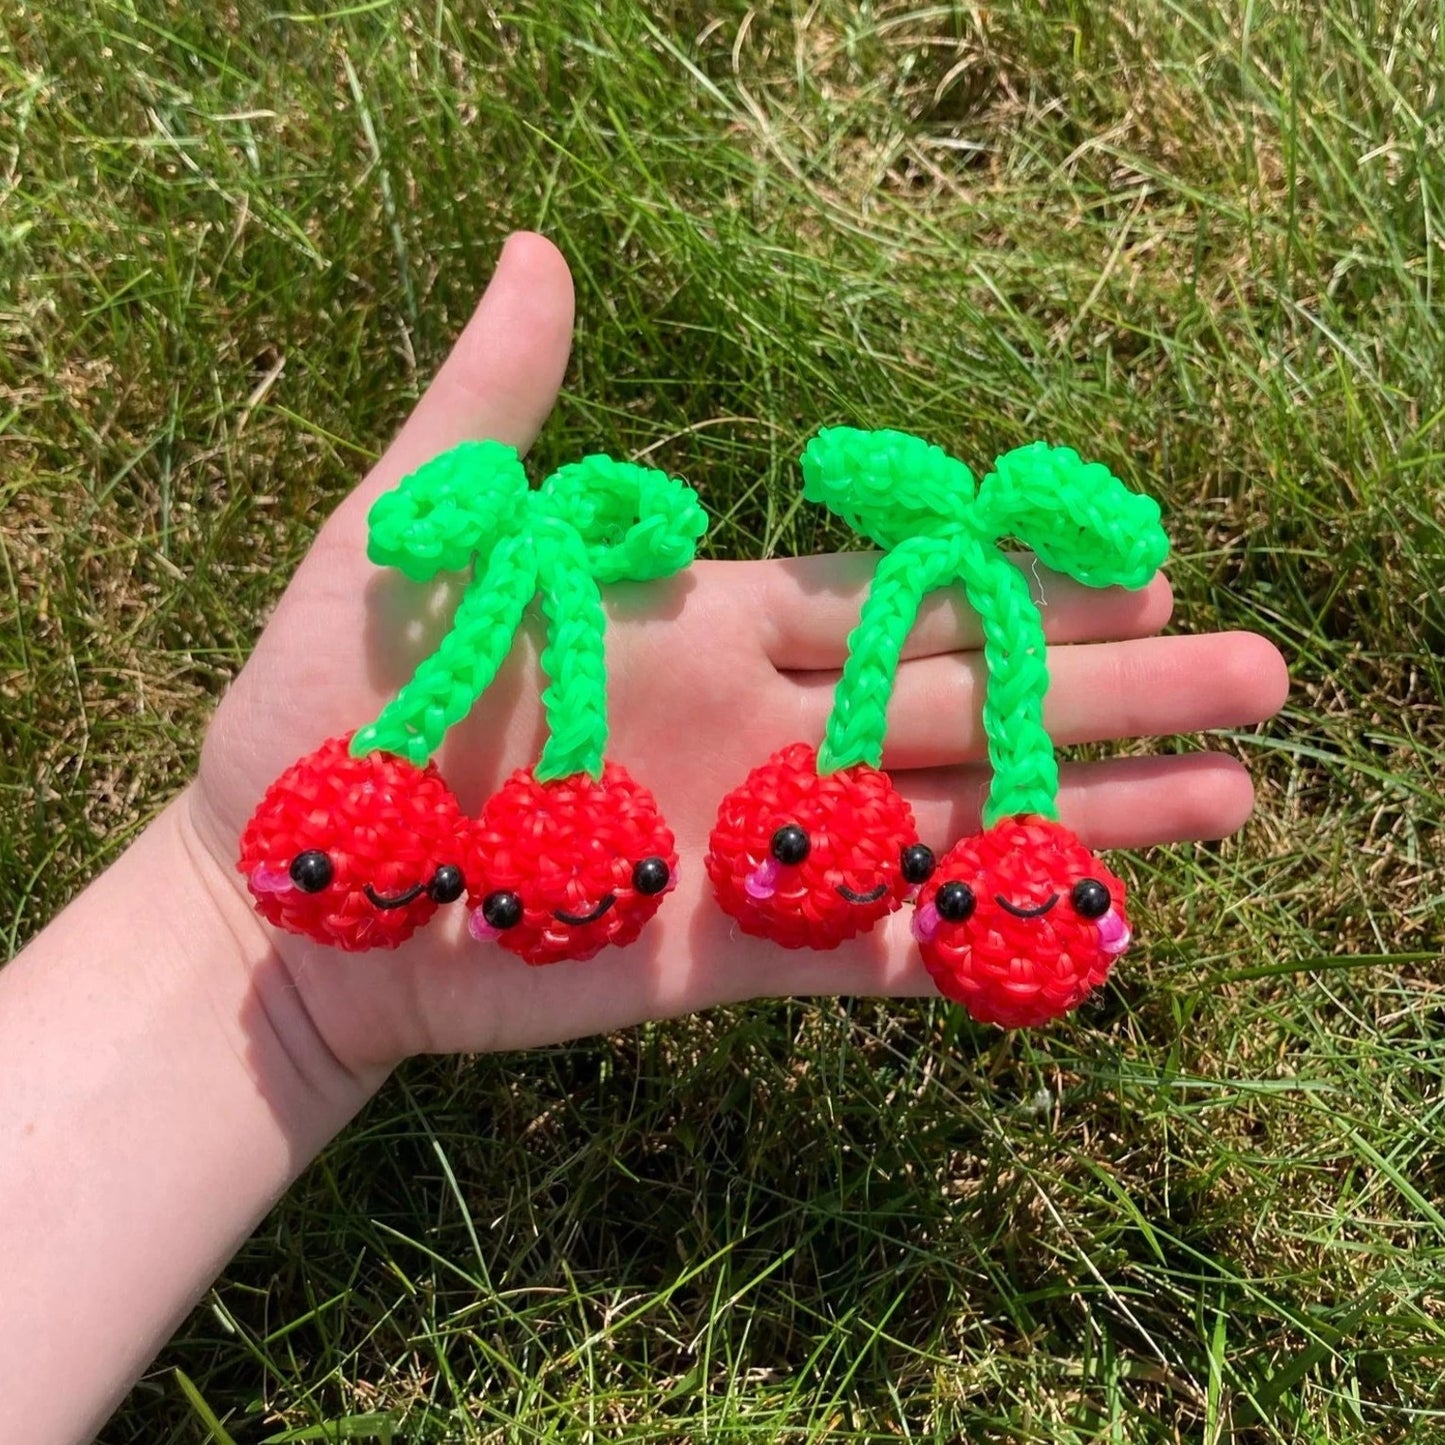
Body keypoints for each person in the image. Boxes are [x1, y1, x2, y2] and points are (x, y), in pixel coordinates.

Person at [0, 233, 1289, 1443]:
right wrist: (232, 944)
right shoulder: (450, 763)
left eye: (925, 884)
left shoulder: (928, 825)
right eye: (468, 886)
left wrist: (229, 950)